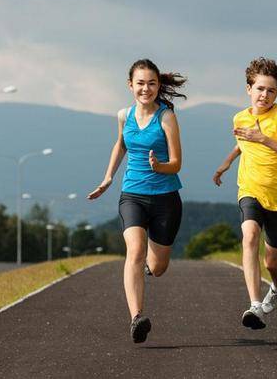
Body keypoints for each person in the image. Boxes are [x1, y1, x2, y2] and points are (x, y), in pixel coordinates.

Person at [88, 59, 186, 343]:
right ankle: (137, 317)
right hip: (132, 194)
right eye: (140, 83)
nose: (146, 88)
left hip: (166, 198)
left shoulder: (166, 117)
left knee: (157, 267)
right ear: (130, 85)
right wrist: (108, 178)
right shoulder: (124, 115)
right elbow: (120, 144)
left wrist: (160, 166)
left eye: (152, 83)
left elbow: (177, 163)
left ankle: (145, 270)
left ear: (158, 85)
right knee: (135, 250)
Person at [213, 57, 277, 330]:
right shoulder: (240, 117)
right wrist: (226, 163)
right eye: (260, 88)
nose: (264, 95)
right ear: (249, 89)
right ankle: (254, 305)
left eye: (271, 90)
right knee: (249, 236)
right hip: (250, 189)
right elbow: (242, 143)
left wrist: (263, 138)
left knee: (272, 260)